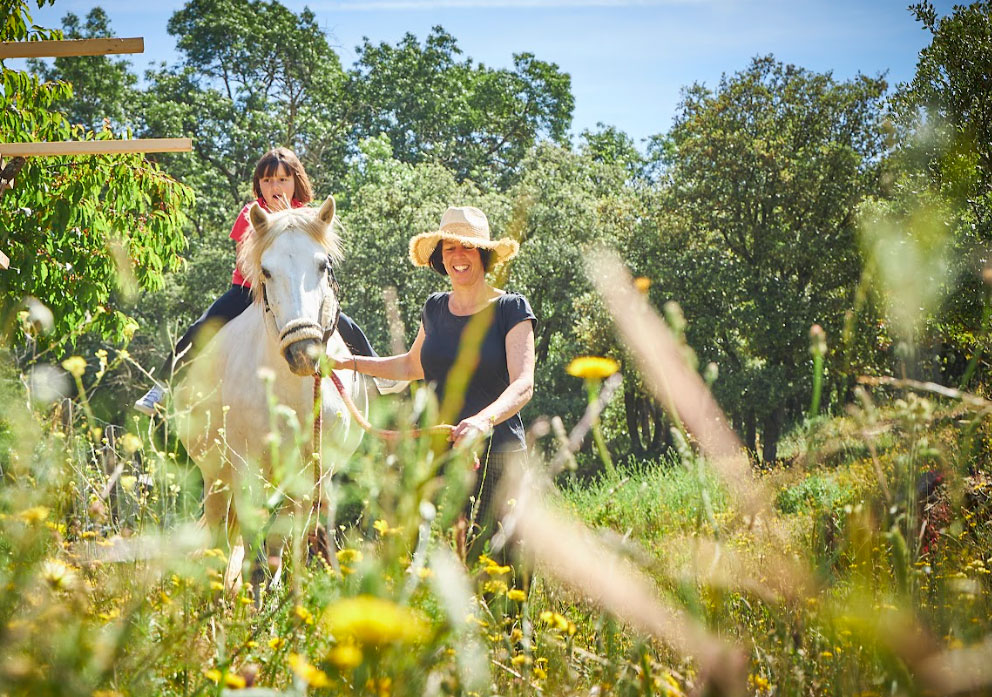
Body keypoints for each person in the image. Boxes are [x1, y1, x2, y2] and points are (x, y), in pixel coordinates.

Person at [340, 205, 536, 562]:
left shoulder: (511, 308)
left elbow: (523, 384)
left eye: (467, 247)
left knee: (500, 567)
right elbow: (411, 365)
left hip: (497, 457)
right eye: (450, 248)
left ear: (485, 255)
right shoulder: (434, 308)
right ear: (440, 258)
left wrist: (481, 421)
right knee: (438, 565)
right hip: (437, 457)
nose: (458, 256)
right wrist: (347, 362)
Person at [134, 147, 377, 415]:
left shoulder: (308, 217)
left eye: (282, 179)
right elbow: (244, 260)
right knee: (204, 325)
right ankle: (163, 387)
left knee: (346, 324)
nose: (275, 186)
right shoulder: (253, 213)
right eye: (267, 180)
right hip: (248, 290)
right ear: (258, 185)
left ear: (297, 181)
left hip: (297, 293)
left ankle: (380, 377)